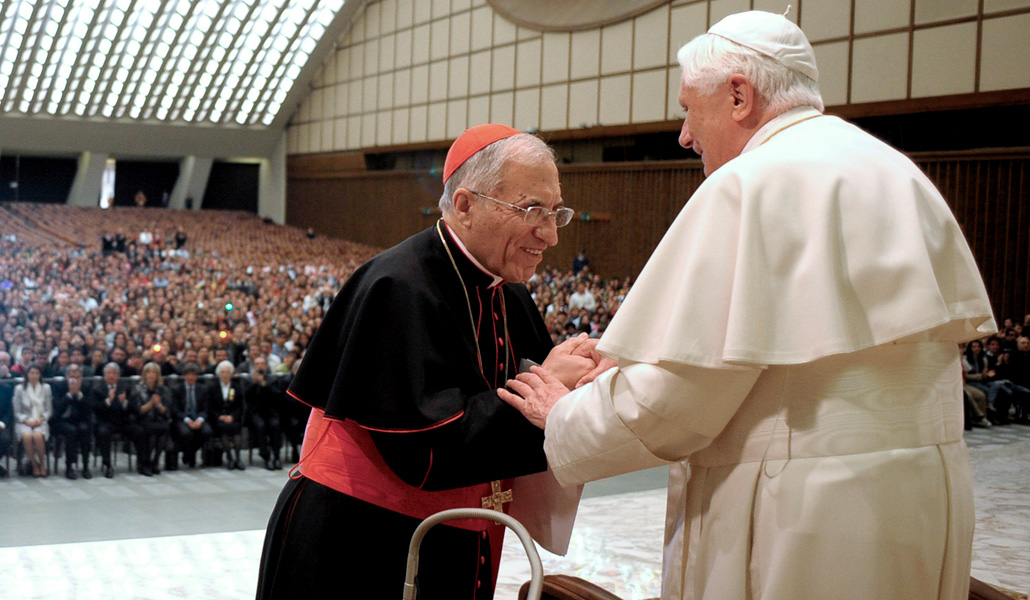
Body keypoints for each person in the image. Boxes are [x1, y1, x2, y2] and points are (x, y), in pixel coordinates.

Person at [499, 11, 995, 600]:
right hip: (924, 501)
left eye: (689, 107)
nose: (684, 134)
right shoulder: (898, 173)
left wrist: (562, 413)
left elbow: (675, 406)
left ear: (739, 95)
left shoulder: (749, 183)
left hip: (810, 517)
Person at [256, 124, 600, 600]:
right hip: (363, 542)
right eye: (530, 210)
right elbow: (430, 450)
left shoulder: (507, 290)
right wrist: (548, 381)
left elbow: (539, 396)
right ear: (465, 205)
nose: (549, 234)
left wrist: (581, 381)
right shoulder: (398, 287)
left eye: (554, 212)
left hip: (454, 534)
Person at [90, 362, 139, 478]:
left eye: (114, 373)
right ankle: (107, 464)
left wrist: (124, 402)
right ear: (104, 375)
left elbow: (134, 409)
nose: (111, 376)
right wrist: (108, 401)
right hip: (105, 422)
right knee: (103, 433)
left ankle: (143, 463)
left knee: (140, 430)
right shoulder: (98, 390)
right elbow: (96, 409)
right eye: (109, 373)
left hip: (123, 422)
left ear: (118, 375)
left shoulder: (125, 388)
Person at [51, 365, 93, 479]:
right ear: (66, 376)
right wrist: (69, 394)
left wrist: (79, 395)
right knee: (71, 431)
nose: (74, 380)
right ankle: (69, 467)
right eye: (71, 377)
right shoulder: (59, 386)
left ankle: (85, 466)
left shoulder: (86, 387)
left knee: (85, 429)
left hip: (80, 419)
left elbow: (89, 409)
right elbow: (57, 409)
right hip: (61, 420)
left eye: (77, 377)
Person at [169, 362, 213, 468]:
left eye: (193, 375)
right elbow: (175, 410)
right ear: (184, 376)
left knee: (207, 432)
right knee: (185, 433)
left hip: (198, 418)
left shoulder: (203, 389)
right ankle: (190, 455)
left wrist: (199, 420)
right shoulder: (177, 389)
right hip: (183, 419)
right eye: (188, 374)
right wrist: (187, 420)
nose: (190, 377)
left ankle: (189, 454)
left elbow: (205, 408)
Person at [133, 362, 173, 476]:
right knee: (149, 431)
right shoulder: (137, 389)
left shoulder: (163, 390)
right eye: (148, 372)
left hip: (159, 419)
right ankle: (145, 463)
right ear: (144, 375)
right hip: (143, 419)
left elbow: (167, 411)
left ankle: (155, 461)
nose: (151, 375)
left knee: (164, 428)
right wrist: (151, 404)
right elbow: (137, 410)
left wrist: (159, 405)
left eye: (154, 372)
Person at [13, 364, 53, 477]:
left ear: (40, 375)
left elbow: (48, 410)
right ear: (27, 374)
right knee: (27, 436)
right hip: (24, 420)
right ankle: (34, 465)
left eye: (37, 373)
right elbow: (17, 412)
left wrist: (41, 419)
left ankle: (43, 465)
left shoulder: (46, 388)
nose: (34, 376)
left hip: (40, 420)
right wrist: (26, 421)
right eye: (32, 373)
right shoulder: (19, 389)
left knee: (37, 436)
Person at [245, 356, 282, 470]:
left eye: (262, 364)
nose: (259, 366)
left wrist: (265, 385)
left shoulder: (272, 380)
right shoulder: (248, 380)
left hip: (270, 412)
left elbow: (277, 396)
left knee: (275, 425)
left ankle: (276, 456)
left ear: (266, 366)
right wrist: (254, 383)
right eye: (257, 364)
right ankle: (266, 456)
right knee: (260, 426)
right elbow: (246, 397)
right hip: (256, 413)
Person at [207, 360, 245, 470]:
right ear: (219, 374)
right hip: (218, 419)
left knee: (236, 431)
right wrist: (219, 416)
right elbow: (210, 406)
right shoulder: (213, 388)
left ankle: (238, 458)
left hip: (232, 418)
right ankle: (230, 458)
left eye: (227, 372)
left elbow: (239, 406)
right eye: (222, 372)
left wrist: (232, 416)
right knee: (223, 429)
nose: (225, 375)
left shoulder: (236, 387)